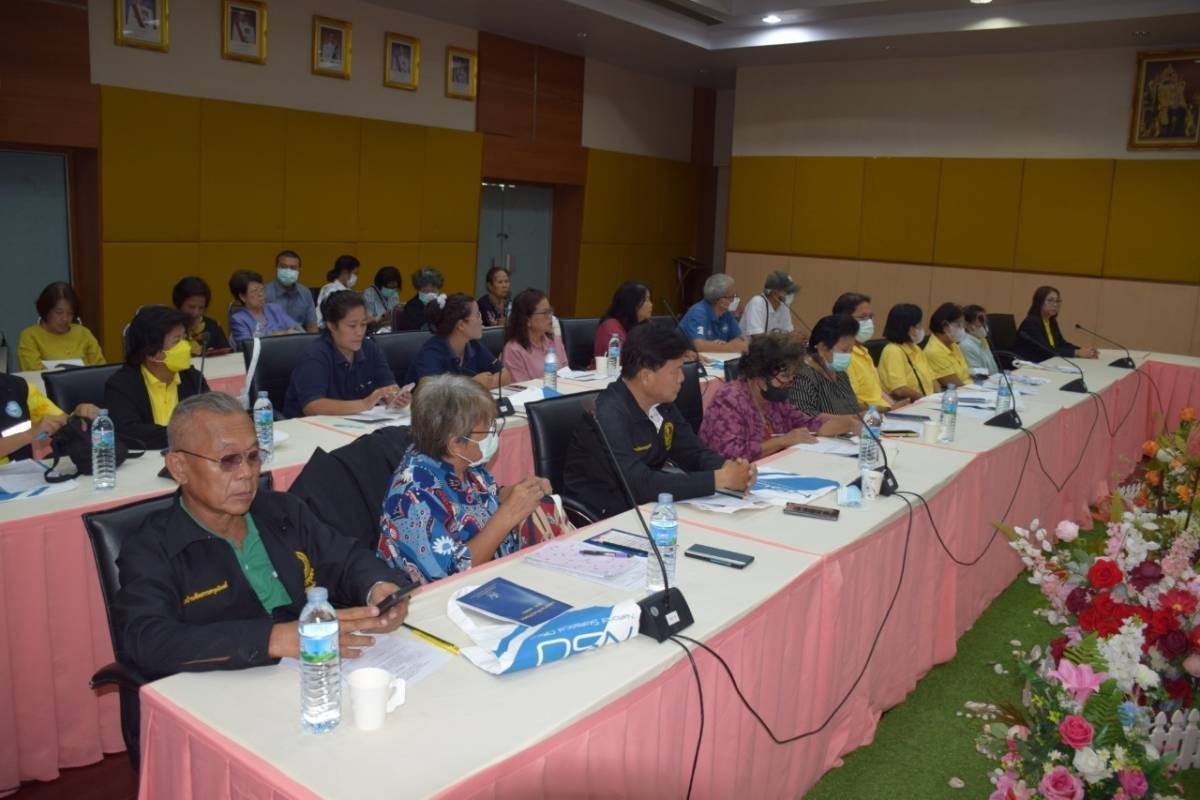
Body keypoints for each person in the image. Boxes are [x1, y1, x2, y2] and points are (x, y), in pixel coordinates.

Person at [113, 393, 411, 680]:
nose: (247, 473)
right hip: (227, 687)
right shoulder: (151, 547)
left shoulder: (283, 511)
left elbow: (345, 558)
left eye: (254, 456)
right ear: (179, 467)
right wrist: (274, 639)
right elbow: (147, 640)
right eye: (228, 460)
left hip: (312, 672)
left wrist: (378, 589)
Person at [563, 323, 755, 518]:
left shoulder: (662, 404)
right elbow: (639, 484)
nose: (682, 378)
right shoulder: (606, 414)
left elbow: (694, 453)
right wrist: (718, 479)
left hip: (646, 506)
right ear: (646, 376)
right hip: (602, 515)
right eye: (675, 371)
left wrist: (731, 470)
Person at [377, 375, 550, 584]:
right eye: (486, 429)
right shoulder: (413, 496)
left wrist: (520, 493)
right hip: (452, 594)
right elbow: (454, 572)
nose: (493, 434)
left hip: (500, 572)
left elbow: (486, 499)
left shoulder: (465, 465)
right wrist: (508, 514)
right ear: (455, 444)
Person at [701, 332, 858, 461]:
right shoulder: (729, 399)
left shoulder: (775, 399)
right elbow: (731, 455)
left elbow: (809, 423)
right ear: (760, 374)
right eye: (784, 376)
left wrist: (850, 424)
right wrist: (782, 441)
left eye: (793, 377)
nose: (789, 383)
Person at [284, 292, 409, 418]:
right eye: (352, 326)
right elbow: (312, 406)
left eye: (363, 324)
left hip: (356, 423)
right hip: (310, 426)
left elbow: (389, 387)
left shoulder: (371, 348)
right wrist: (364, 404)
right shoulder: (315, 355)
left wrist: (397, 398)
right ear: (332, 326)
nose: (359, 332)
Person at [104, 305, 210, 450]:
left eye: (185, 337)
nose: (186, 346)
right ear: (151, 353)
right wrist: (183, 434)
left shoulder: (192, 378)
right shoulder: (121, 385)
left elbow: (211, 419)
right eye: (177, 341)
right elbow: (128, 432)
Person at [405, 293, 509, 389]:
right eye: (477, 315)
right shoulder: (431, 352)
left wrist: (488, 382)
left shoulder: (473, 344)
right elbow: (429, 393)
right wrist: (471, 384)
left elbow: (506, 376)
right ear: (461, 325)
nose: (481, 321)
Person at [831, 292, 906, 411]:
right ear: (843, 321)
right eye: (862, 317)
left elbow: (877, 393)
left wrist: (894, 406)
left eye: (870, 317)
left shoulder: (863, 351)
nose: (869, 322)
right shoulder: (842, 358)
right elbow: (850, 405)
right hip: (868, 417)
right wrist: (888, 410)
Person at [0, 373, 96, 465]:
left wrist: (78, 417)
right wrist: (28, 435)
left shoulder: (18, 386)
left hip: (22, 470)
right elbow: (31, 433)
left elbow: (59, 421)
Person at [17, 282, 105, 371]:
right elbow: (33, 371)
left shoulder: (84, 333)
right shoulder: (30, 336)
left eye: (70, 313)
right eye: (59, 312)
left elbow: (100, 368)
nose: (65, 319)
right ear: (46, 310)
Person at [790, 314, 864, 416]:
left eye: (850, 350)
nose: (848, 355)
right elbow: (804, 417)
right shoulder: (802, 377)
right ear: (822, 348)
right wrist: (849, 421)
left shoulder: (841, 374)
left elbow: (854, 409)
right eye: (844, 350)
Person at [1014, 286, 1098, 363]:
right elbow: (1046, 350)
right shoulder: (1031, 323)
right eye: (1050, 300)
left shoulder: (1051, 321)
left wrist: (1082, 350)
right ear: (1039, 302)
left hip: (1047, 362)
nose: (1055, 304)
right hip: (1028, 365)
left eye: (1057, 301)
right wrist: (1077, 352)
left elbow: (1061, 344)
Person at [500, 289, 568, 382]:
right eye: (545, 313)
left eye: (550, 311)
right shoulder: (513, 350)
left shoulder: (555, 340)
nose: (551, 317)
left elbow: (566, 375)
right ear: (527, 320)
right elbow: (522, 387)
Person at [227, 270, 304, 349]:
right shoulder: (238, 319)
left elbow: (297, 329)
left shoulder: (274, 309)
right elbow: (247, 347)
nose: (261, 294)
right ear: (242, 297)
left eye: (262, 289)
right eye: (255, 291)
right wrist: (281, 334)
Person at [876, 304, 936, 402]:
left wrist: (938, 398)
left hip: (925, 402)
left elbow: (932, 379)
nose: (921, 328)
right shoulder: (893, 351)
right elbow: (900, 389)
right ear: (906, 327)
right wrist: (924, 400)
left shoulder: (915, 348)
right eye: (918, 325)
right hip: (907, 404)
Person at [678, 274, 748, 354]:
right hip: (685, 358)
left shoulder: (726, 313)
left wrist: (725, 346)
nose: (734, 300)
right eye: (732, 296)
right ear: (720, 300)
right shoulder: (698, 312)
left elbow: (739, 338)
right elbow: (699, 346)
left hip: (716, 358)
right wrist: (728, 347)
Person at [593, 281, 652, 363]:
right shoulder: (610, 327)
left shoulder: (646, 324)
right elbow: (618, 361)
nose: (651, 304)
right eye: (646, 300)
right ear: (632, 303)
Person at [172, 277, 230, 355]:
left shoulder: (212, 326)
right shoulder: (167, 327)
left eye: (201, 308)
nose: (196, 313)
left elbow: (226, 354)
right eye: (191, 307)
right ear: (179, 304)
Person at [264, 250, 318, 333]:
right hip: (273, 338)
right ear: (276, 267)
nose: (288, 271)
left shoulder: (305, 292)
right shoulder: (264, 292)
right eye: (283, 267)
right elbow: (258, 327)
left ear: (299, 270)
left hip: (300, 338)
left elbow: (312, 326)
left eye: (293, 268)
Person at [924, 302, 973, 390]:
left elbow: (966, 375)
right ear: (945, 326)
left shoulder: (953, 345)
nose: (963, 329)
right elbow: (955, 385)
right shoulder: (934, 352)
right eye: (959, 324)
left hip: (970, 388)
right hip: (958, 393)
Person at [739, 270, 798, 338]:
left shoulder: (784, 307)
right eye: (788, 292)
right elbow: (757, 336)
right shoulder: (757, 303)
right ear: (774, 292)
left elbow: (788, 332)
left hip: (770, 345)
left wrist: (795, 337)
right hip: (748, 344)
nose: (791, 295)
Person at [392, 267, 444, 331]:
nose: (430, 289)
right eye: (425, 286)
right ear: (419, 287)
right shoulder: (411, 306)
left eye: (434, 286)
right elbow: (417, 330)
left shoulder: (444, 303)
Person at [316, 255, 360, 327]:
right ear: (345, 272)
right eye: (355, 273)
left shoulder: (350, 292)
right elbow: (335, 315)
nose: (356, 277)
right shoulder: (330, 290)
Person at [960, 304, 999, 376]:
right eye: (981, 320)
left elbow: (992, 366)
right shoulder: (966, 345)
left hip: (994, 378)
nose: (985, 324)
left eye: (985, 320)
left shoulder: (982, 339)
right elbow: (977, 374)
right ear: (968, 325)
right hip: (984, 381)